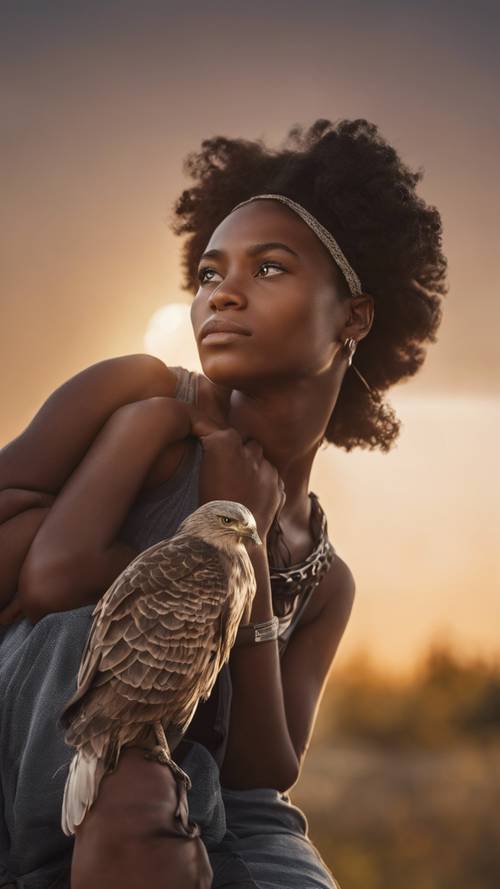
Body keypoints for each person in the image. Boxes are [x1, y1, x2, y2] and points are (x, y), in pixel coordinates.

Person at [0, 117, 447, 888]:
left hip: (207, 793)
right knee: (134, 805)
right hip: (52, 729)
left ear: (355, 317)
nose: (223, 295)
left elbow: (265, 764)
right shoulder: (143, 402)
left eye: (269, 269)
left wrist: (255, 551)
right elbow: (48, 580)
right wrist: (207, 534)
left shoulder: (323, 572)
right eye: (208, 274)